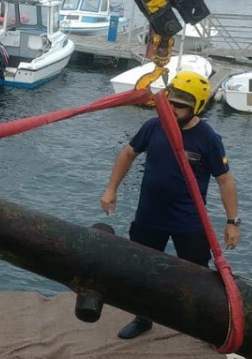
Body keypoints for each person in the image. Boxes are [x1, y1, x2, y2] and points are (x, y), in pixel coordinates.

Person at [100, 72, 241, 340]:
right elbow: (129, 152)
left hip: (188, 221)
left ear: (197, 106)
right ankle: (144, 317)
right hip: (150, 217)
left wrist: (232, 221)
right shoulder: (154, 126)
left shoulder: (208, 138)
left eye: (179, 106)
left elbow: (224, 180)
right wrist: (111, 189)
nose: (172, 109)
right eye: (170, 102)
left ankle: (208, 324)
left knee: (200, 276)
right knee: (144, 270)